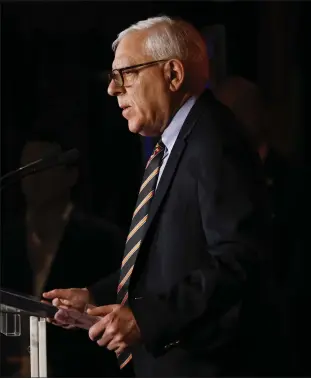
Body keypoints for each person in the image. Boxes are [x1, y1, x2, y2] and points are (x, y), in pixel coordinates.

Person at [43, 16, 272, 377]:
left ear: (173, 75)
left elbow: (238, 259)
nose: (112, 90)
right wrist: (97, 296)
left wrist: (146, 321)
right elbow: (171, 264)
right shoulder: (175, 144)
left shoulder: (214, 140)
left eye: (125, 75)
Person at [0, 128, 127, 377]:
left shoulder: (104, 240)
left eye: (40, 168)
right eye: (25, 168)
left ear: (70, 175)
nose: (31, 178)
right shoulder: (6, 238)